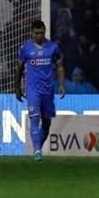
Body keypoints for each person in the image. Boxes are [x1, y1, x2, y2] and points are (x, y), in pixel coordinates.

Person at [17, 21, 65, 162]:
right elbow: (19, 69)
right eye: (36, 33)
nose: (39, 35)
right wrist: (17, 88)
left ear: (45, 32)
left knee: (47, 123)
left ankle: (37, 147)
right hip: (32, 89)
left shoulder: (53, 47)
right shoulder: (25, 48)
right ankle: (37, 150)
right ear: (32, 33)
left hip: (48, 90)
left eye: (41, 33)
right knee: (34, 118)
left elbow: (60, 66)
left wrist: (61, 84)